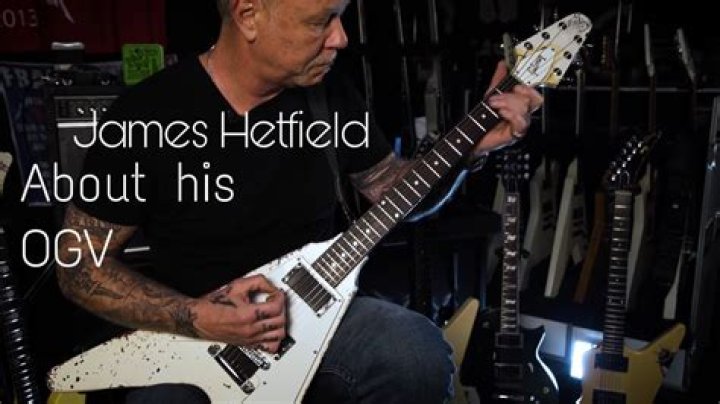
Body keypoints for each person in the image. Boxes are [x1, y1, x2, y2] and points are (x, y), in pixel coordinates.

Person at [55, 0, 543, 402]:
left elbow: (394, 193)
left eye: (341, 18)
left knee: (413, 352)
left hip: (320, 312)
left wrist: (471, 147)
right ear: (249, 16)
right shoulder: (147, 116)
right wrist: (197, 316)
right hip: (194, 342)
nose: (340, 38)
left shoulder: (329, 97)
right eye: (320, 21)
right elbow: (78, 267)